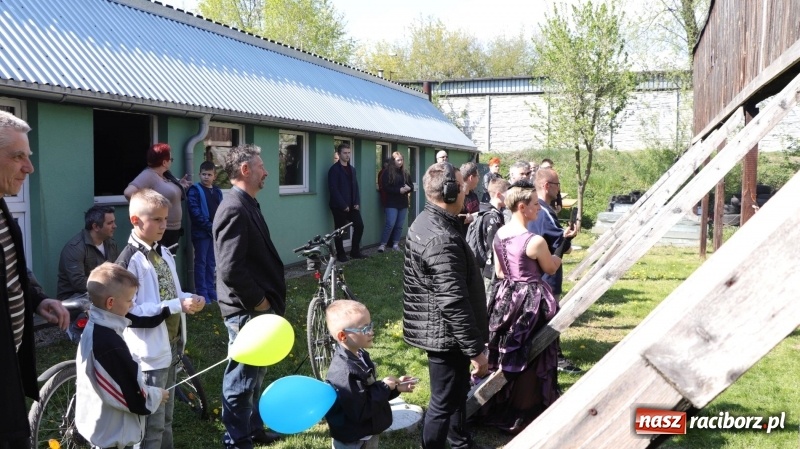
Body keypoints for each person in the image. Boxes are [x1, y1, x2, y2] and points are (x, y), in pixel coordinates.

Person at [403, 162, 489, 449]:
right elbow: (452, 301)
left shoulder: (431, 222)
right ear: (451, 191)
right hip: (446, 334)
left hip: (441, 330)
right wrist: (475, 350)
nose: (466, 189)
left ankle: (459, 442)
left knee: (455, 392)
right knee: (442, 403)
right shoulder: (441, 239)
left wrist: (457, 223)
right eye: (462, 184)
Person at [1, 110, 70, 449]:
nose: (29, 167)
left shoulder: (2, 208)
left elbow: (13, 269)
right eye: (18, 157)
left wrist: (39, 298)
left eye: (28, 157)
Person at [117, 189, 205, 449]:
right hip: (148, 356)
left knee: (166, 419)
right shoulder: (129, 261)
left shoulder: (164, 253)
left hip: (171, 346)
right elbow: (130, 313)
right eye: (156, 219)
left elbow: (169, 292)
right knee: (151, 424)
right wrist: (175, 305)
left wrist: (189, 297)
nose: (163, 225)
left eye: (165, 219)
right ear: (135, 220)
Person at [214, 144, 287, 449]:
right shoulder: (233, 206)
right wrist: (260, 303)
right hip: (246, 310)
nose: (266, 171)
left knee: (255, 374)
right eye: (261, 166)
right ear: (245, 170)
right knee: (241, 378)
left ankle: (253, 429)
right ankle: (236, 438)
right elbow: (231, 269)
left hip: (257, 310)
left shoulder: (248, 202)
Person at [478, 180, 563, 434]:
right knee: (532, 349)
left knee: (506, 347)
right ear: (522, 207)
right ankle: (526, 406)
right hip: (531, 299)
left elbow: (502, 272)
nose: (539, 209)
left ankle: (500, 399)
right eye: (535, 205)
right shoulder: (534, 240)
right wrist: (559, 253)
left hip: (505, 295)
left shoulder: (500, 234)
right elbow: (549, 268)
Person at [75, 263, 170, 449]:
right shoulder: (110, 343)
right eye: (129, 300)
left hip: (100, 427)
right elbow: (132, 395)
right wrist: (157, 395)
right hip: (112, 436)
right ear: (110, 303)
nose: (132, 304)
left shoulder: (96, 328)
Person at [324, 300, 417, 448]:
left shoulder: (359, 355)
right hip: (353, 440)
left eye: (370, 325)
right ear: (343, 336)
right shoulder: (346, 373)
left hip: (365, 433)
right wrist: (385, 387)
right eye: (365, 328)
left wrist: (394, 389)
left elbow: (367, 393)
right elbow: (360, 410)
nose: (371, 331)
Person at [527, 168, 581, 374]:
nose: (559, 189)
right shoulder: (545, 212)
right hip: (547, 277)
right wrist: (569, 237)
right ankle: (555, 359)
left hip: (538, 275)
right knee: (549, 321)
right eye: (557, 185)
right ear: (547, 186)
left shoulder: (538, 210)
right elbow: (562, 245)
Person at [123, 143, 191, 250]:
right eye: (171, 159)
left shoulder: (165, 176)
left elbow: (168, 193)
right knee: (159, 264)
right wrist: (149, 207)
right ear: (164, 162)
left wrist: (179, 185)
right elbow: (128, 193)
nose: (171, 162)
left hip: (173, 230)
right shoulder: (148, 175)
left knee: (168, 263)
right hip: (161, 230)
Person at [57, 205, 119, 300]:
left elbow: (116, 272)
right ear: (96, 227)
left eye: (114, 222)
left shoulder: (110, 244)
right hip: (75, 300)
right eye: (110, 223)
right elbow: (79, 283)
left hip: (103, 296)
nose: (115, 226)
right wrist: (110, 290)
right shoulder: (75, 248)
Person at [187, 161, 223, 304]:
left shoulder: (217, 191)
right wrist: (209, 226)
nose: (206, 177)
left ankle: (210, 290)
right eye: (204, 174)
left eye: (209, 174)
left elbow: (221, 210)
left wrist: (218, 226)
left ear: (214, 176)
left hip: (214, 233)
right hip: (201, 233)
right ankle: (202, 293)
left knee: (211, 263)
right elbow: (195, 212)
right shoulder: (194, 190)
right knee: (201, 262)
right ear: (199, 174)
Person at [466, 177, 509, 295]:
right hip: (490, 270)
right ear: (499, 195)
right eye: (508, 194)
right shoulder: (492, 218)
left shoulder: (487, 212)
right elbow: (495, 247)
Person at [328, 142, 366, 263]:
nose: (347, 155)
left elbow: (355, 187)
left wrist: (357, 202)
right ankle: (341, 254)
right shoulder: (334, 170)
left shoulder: (352, 169)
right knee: (339, 231)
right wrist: (343, 205)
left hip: (352, 206)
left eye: (349, 153)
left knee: (359, 226)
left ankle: (355, 252)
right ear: (339, 154)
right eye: (345, 153)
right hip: (339, 207)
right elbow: (333, 189)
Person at [378, 152, 413, 253]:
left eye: (401, 160)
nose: (400, 162)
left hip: (403, 203)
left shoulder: (405, 173)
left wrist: (408, 188)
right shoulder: (387, 172)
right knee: (390, 224)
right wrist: (399, 190)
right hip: (391, 202)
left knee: (399, 225)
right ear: (393, 161)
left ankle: (395, 244)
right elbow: (386, 187)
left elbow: (411, 186)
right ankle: (383, 245)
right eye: (398, 160)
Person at [457, 162, 480, 237]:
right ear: (471, 178)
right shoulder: (456, 197)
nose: (478, 179)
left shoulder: (474, 195)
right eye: (477, 176)